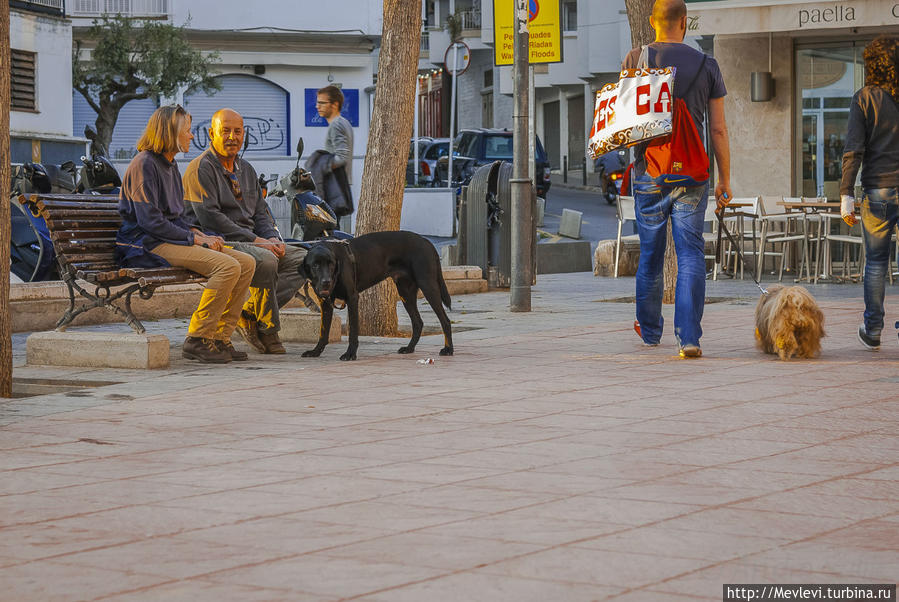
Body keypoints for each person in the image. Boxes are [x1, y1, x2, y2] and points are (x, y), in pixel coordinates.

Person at [622, 0, 732, 358]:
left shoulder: (634, 59)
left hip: (649, 172)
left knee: (651, 255)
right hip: (693, 175)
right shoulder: (707, 65)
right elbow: (717, 130)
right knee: (690, 255)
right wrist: (725, 179)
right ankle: (689, 338)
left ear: (653, 22)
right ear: (685, 23)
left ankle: (651, 331)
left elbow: (623, 124)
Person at [116, 105, 256, 364]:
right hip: (146, 244)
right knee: (226, 267)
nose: (191, 136)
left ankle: (220, 338)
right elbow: (151, 222)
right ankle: (198, 338)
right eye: (187, 131)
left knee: (246, 263)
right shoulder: (144, 165)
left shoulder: (169, 164)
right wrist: (194, 239)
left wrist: (198, 234)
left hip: (167, 238)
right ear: (170, 132)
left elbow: (176, 217)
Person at [183, 108, 308, 355]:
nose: (232, 137)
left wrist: (272, 237)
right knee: (267, 261)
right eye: (225, 131)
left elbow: (261, 212)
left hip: (254, 241)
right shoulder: (201, 168)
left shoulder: (246, 169)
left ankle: (249, 313)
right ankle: (268, 329)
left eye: (237, 131)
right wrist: (257, 240)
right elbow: (211, 217)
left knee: (304, 259)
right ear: (211, 134)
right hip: (219, 242)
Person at [840, 36, 899, 351]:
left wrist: (846, 193)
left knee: (876, 262)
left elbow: (853, 151)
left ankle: (873, 328)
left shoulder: (863, 98)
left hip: (877, 190)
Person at [306, 85, 354, 219]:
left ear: (334, 104)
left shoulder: (336, 125)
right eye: (317, 102)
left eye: (322, 103)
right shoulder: (344, 123)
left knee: (330, 232)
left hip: (334, 187)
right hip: (338, 185)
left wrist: (321, 165)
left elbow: (342, 157)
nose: (317, 106)